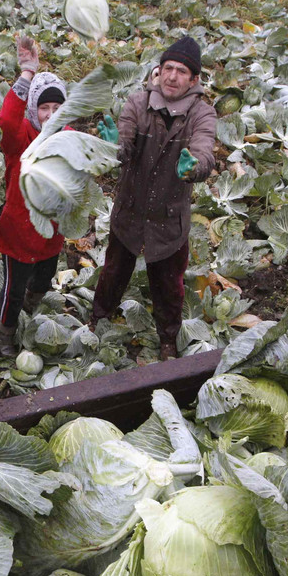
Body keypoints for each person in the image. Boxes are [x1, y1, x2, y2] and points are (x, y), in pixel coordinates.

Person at [91, 36, 217, 360]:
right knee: (113, 272)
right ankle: (99, 319)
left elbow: (204, 150)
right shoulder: (138, 103)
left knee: (169, 286)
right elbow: (125, 142)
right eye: (168, 69)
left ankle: (167, 340)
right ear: (158, 72)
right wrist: (112, 147)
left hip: (169, 219)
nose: (172, 76)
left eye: (181, 71)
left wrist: (195, 168)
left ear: (194, 79)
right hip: (130, 212)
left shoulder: (201, 114)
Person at [0, 37, 68, 358]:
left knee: (43, 278)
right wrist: (27, 74)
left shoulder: (69, 136)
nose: (50, 114)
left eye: (57, 108)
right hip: (19, 231)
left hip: (52, 230)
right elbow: (5, 120)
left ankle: (34, 303)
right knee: (13, 289)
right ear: (33, 108)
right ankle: (3, 333)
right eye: (44, 107)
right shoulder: (20, 139)